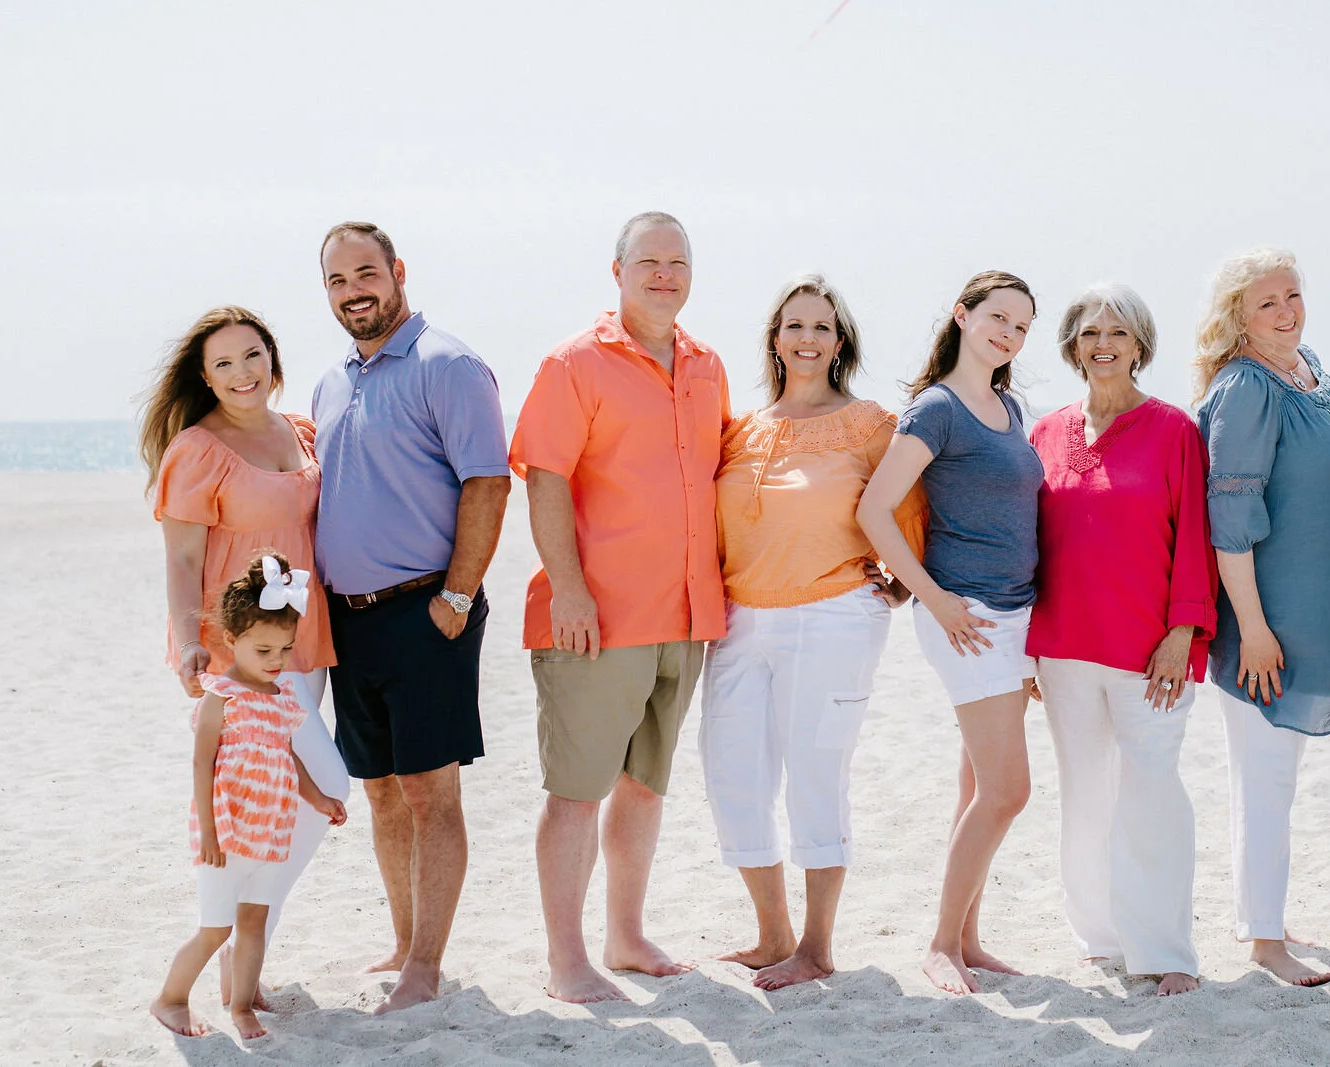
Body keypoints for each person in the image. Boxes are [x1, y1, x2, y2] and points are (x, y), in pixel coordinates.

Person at [510, 211, 732, 1004]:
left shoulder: (708, 365)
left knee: (645, 786)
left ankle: (625, 937)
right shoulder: (575, 363)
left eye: (678, 262)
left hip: (686, 617)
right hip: (595, 619)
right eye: (649, 261)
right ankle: (566, 959)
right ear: (618, 272)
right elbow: (543, 477)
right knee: (576, 791)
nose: (665, 274)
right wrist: (568, 588)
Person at [702, 274, 928, 989]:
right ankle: (773, 934)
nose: (807, 338)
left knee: (815, 773)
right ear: (775, 339)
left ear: (840, 342)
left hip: (833, 616)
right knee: (733, 773)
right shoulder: (742, 429)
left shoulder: (870, 425)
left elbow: (911, 511)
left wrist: (896, 585)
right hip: (741, 618)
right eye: (793, 326)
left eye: (821, 327)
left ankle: (817, 946)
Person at [313, 221, 512, 1012]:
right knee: (383, 793)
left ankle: (426, 969)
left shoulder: (448, 364)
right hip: (348, 621)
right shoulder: (333, 382)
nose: (353, 290)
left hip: (430, 612)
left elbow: (488, 484)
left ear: (397, 271)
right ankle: (402, 943)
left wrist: (457, 597)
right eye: (336, 281)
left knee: (432, 795)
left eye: (365, 273)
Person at [141, 305, 349, 1007]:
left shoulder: (300, 432)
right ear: (205, 376)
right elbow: (180, 557)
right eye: (224, 362)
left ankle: (244, 969)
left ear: (273, 358)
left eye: (252, 355)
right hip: (240, 650)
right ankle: (231, 941)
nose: (241, 372)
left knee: (283, 801)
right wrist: (192, 641)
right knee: (322, 786)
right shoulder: (197, 449)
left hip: (306, 638)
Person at [1191, 249, 1330, 987]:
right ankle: (1266, 944)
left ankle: (1258, 913)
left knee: (1269, 781)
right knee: (1266, 780)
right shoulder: (1244, 387)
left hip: (1319, 618)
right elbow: (1228, 520)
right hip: (1267, 626)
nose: (1286, 312)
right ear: (1238, 316)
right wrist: (1255, 631)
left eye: (1293, 295)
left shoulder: (1314, 374)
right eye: (1267, 303)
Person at [858, 270, 1045, 995]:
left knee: (977, 784)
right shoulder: (936, 409)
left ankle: (968, 936)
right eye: (999, 317)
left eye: (1023, 327)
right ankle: (941, 943)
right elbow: (876, 511)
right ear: (964, 316)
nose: (1010, 334)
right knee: (1008, 790)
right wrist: (935, 600)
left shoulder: (1008, 406)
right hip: (966, 618)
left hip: (1016, 614)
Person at [1028, 285, 1217, 996]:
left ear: (1139, 344)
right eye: (1087, 333)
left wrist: (1183, 632)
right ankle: (1102, 935)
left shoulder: (1174, 431)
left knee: (1153, 791)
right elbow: (1031, 544)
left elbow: (1195, 537)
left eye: (1116, 332)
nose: (1101, 343)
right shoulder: (1046, 433)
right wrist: (1024, 652)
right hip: (1063, 646)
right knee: (1084, 794)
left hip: (1151, 651)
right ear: (1073, 347)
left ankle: (1165, 950)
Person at [150, 556, 348, 1040]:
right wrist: (210, 832)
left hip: (272, 830)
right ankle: (170, 999)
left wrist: (319, 798)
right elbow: (203, 765)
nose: (276, 661)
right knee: (215, 929)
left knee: (254, 923)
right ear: (232, 641)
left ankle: (240, 1006)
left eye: (284, 649)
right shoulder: (221, 696)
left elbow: (288, 755)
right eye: (263, 650)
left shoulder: (283, 697)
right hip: (227, 833)